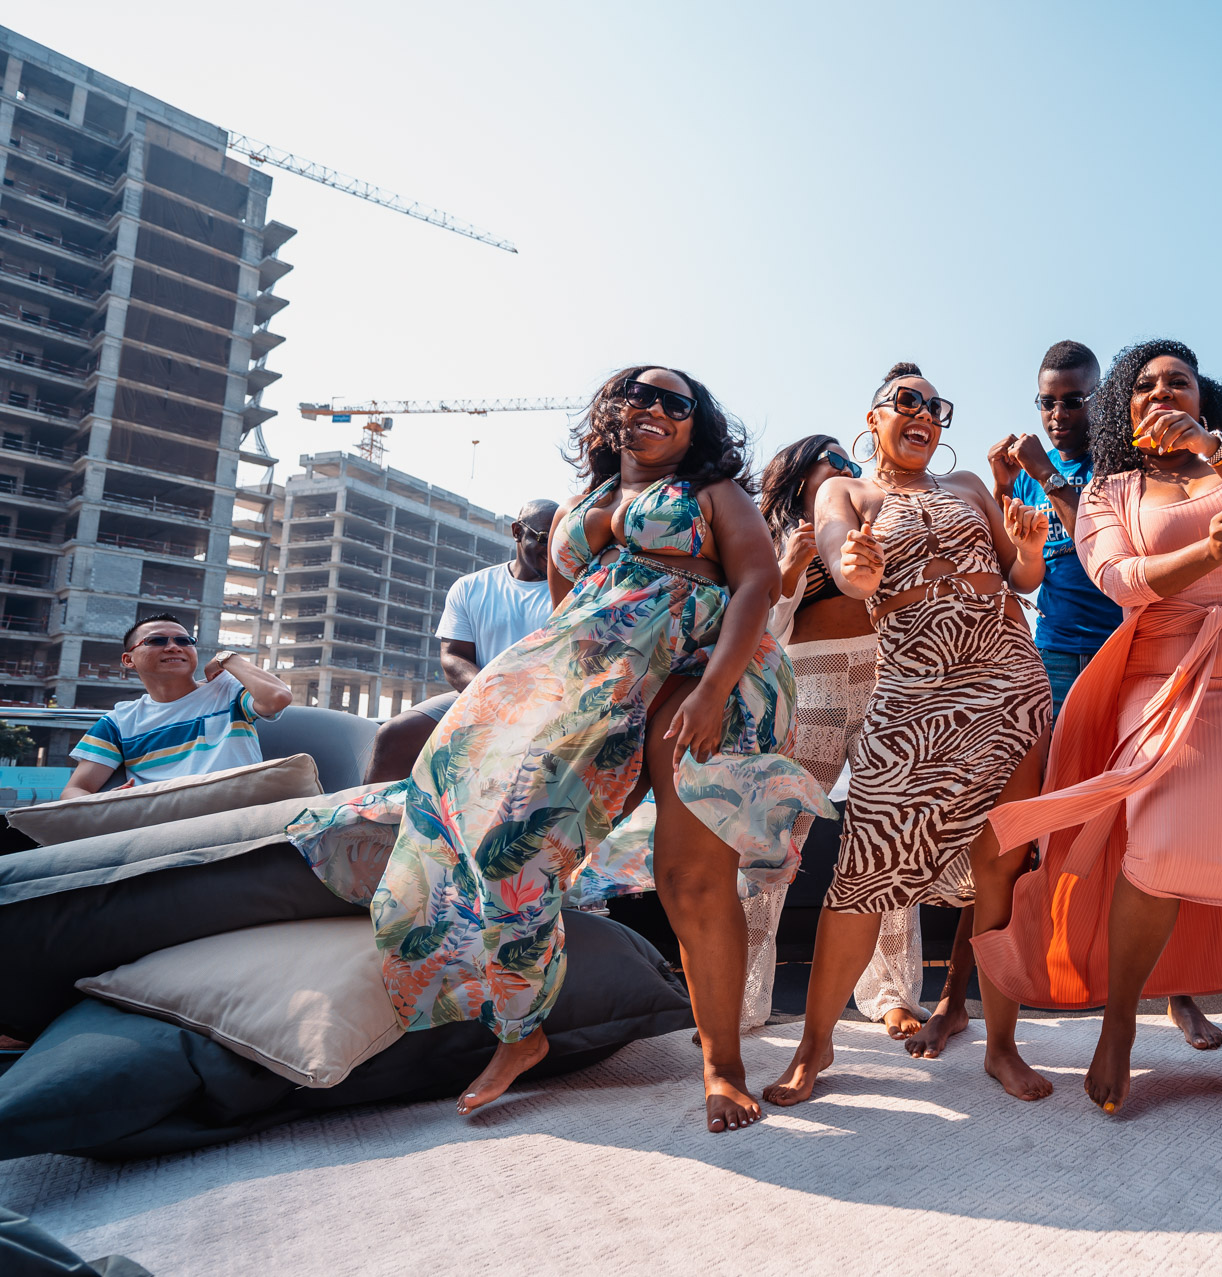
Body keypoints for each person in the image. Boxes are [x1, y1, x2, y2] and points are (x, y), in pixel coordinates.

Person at [288, 365, 830, 1133]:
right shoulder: (580, 507)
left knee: (690, 879)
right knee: (506, 840)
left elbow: (756, 584)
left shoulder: (710, 491)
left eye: (675, 402)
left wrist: (712, 690)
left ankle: (723, 1066)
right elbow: (566, 617)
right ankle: (521, 1029)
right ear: (611, 411)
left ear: (694, 423)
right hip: (598, 683)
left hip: (703, 670)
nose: (654, 408)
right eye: (637, 394)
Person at [973, 339, 1222, 1123]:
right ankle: (1118, 1028)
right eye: (1145, 385)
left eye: (1178, 381)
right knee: (1155, 855)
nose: (1162, 391)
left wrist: (1212, 448)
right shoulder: (1110, 491)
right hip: (1163, 686)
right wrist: (1208, 551)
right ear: (1126, 408)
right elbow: (1119, 580)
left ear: (1201, 398)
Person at [764, 361, 1056, 1106]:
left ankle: (1002, 1046)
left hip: (1007, 683)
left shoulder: (968, 488)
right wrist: (857, 568)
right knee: (863, 871)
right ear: (874, 418)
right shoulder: (847, 491)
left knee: (1001, 869)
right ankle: (815, 1045)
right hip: (912, 691)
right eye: (907, 401)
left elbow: (1021, 577)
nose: (924, 413)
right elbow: (846, 568)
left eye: (935, 406)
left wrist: (1027, 549)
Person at [989, 339, 1222, 1055]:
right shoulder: (1028, 475)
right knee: (1035, 820)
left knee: (1156, 819)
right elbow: (1016, 571)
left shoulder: (1129, 464)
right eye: (1047, 402)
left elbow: (1103, 554)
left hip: (1132, 657)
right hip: (1053, 659)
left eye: (1074, 400)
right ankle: (989, 989)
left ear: (1104, 400)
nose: (1058, 414)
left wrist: (1041, 471)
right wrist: (1006, 490)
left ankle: (1178, 989)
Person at [747, 435, 927, 1039]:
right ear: (799, 473)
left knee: (888, 835)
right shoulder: (771, 535)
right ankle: (742, 995)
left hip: (886, 674)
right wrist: (790, 568)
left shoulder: (873, 518)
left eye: (853, 463)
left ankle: (892, 993)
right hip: (812, 681)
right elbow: (759, 628)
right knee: (774, 838)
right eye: (836, 461)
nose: (851, 470)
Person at [363, 500, 559, 783]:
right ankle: (367, 812)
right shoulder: (470, 587)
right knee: (393, 735)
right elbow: (453, 657)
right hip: (477, 696)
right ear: (517, 532)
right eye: (544, 538)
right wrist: (495, 698)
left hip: (548, 707)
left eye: (560, 539)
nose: (553, 548)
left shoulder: (573, 591)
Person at [64, 615, 293, 796]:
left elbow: (278, 697)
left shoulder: (227, 690)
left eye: (184, 641)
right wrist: (109, 802)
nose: (174, 647)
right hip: (163, 821)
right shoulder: (120, 721)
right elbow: (75, 790)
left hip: (238, 810)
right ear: (128, 660)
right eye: (157, 641)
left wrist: (228, 658)